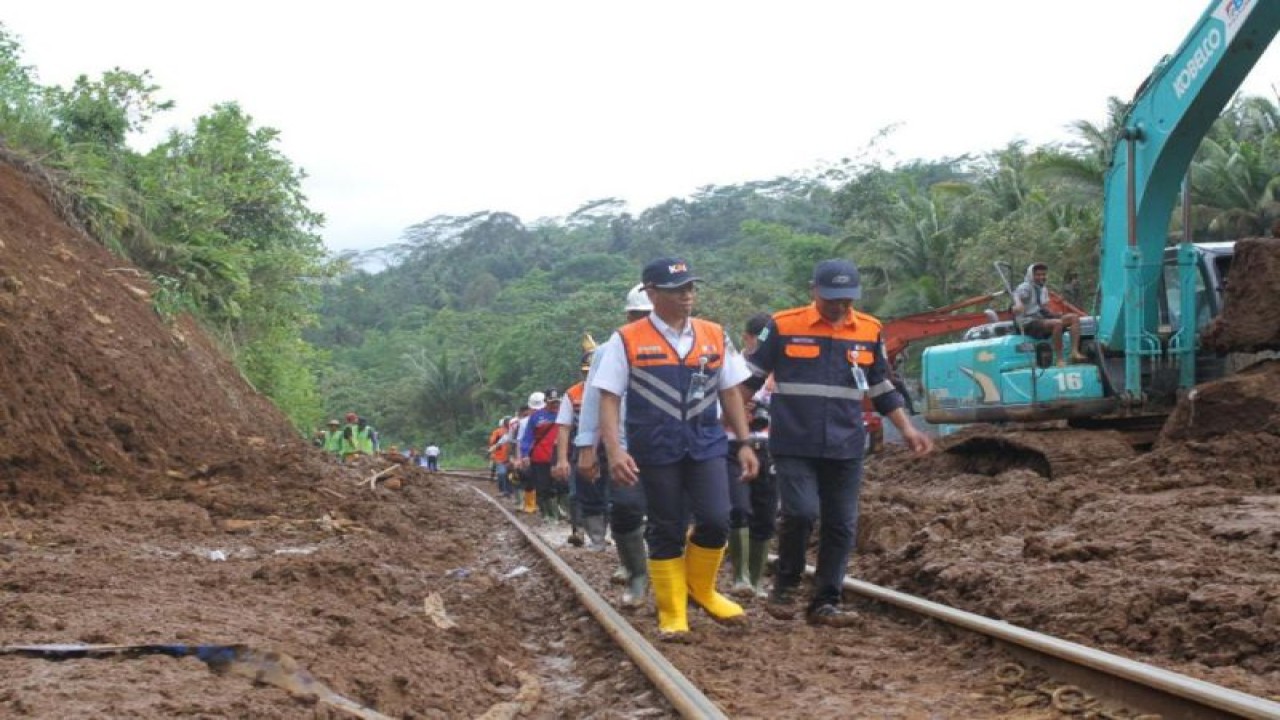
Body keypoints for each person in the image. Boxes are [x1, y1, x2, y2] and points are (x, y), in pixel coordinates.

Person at [744, 259, 933, 627]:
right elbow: (748, 380)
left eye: (847, 299)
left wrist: (907, 428)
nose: (840, 306)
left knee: (841, 524)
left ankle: (825, 602)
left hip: (845, 444)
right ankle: (786, 582)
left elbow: (880, 385)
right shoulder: (783, 325)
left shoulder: (869, 329)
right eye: (832, 298)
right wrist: (736, 429)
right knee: (799, 513)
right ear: (813, 290)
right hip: (794, 441)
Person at [594, 257, 760, 640]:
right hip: (654, 447)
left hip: (706, 443)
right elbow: (607, 397)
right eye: (676, 290)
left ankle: (701, 589)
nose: (687, 296)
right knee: (666, 526)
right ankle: (672, 611)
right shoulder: (627, 339)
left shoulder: (715, 334)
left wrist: (745, 442)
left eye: (690, 288)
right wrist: (615, 451)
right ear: (652, 294)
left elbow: (731, 390)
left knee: (718, 518)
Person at [576, 283, 655, 608]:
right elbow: (594, 398)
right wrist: (587, 447)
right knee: (625, 508)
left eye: (648, 315)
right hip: (620, 442)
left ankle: (673, 582)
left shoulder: (684, 343)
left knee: (673, 515)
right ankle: (637, 574)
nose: (644, 322)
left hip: (668, 442)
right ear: (628, 315)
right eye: (638, 315)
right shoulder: (609, 350)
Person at [725, 312, 779, 598]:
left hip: (768, 446)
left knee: (766, 513)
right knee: (738, 509)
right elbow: (723, 407)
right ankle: (740, 576)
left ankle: (756, 580)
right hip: (733, 445)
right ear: (746, 338)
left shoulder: (779, 371)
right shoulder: (733, 366)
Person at [555, 339, 605, 549]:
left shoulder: (614, 388)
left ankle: (603, 534)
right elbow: (564, 427)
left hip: (609, 449)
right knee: (579, 493)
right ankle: (586, 533)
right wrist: (562, 459)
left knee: (608, 494)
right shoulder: (573, 394)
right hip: (581, 449)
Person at [1013, 262, 1087, 367]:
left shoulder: (1043, 289)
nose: (1041, 277)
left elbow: (1043, 308)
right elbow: (1016, 294)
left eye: (1043, 274)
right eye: (1038, 275)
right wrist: (1018, 304)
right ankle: (1059, 359)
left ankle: (1074, 352)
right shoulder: (1026, 287)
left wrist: (1054, 314)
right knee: (1057, 323)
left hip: (1040, 318)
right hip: (1027, 322)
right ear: (1031, 275)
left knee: (1073, 318)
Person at [519, 389, 563, 522]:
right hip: (540, 458)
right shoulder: (536, 417)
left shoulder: (564, 414)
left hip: (559, 457)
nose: (555, 405)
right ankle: (548, 515)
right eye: (551, 402)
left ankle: (560, 512)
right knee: (543, 487)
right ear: (546, 402)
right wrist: (525, 454)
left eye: (556, 402)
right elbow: (527, 437)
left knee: (562, 486)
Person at [488, 417, 514, 498]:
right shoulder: (497, 432)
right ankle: (503, 490)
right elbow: (492, 442)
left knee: (510, 474)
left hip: (510, 457)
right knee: (502, 473)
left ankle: (509, 490)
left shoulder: (513, 431)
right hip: (499, 456)